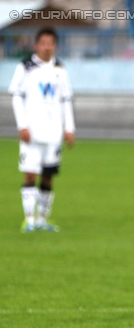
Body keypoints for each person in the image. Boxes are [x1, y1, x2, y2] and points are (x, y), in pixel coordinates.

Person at [8, 27, 75, 233]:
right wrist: (22, 125)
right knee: (30, 174)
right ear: (36, 45)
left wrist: (69, 128)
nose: (47, 47)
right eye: (43, 43)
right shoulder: (25, 67)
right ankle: (29, 219)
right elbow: (16, 96)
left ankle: (43, 218)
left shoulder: (60, 69)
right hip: (32, 132)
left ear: (55, 46)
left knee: (48, 175)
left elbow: (66, 100)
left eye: (51, 43)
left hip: (54, 132)